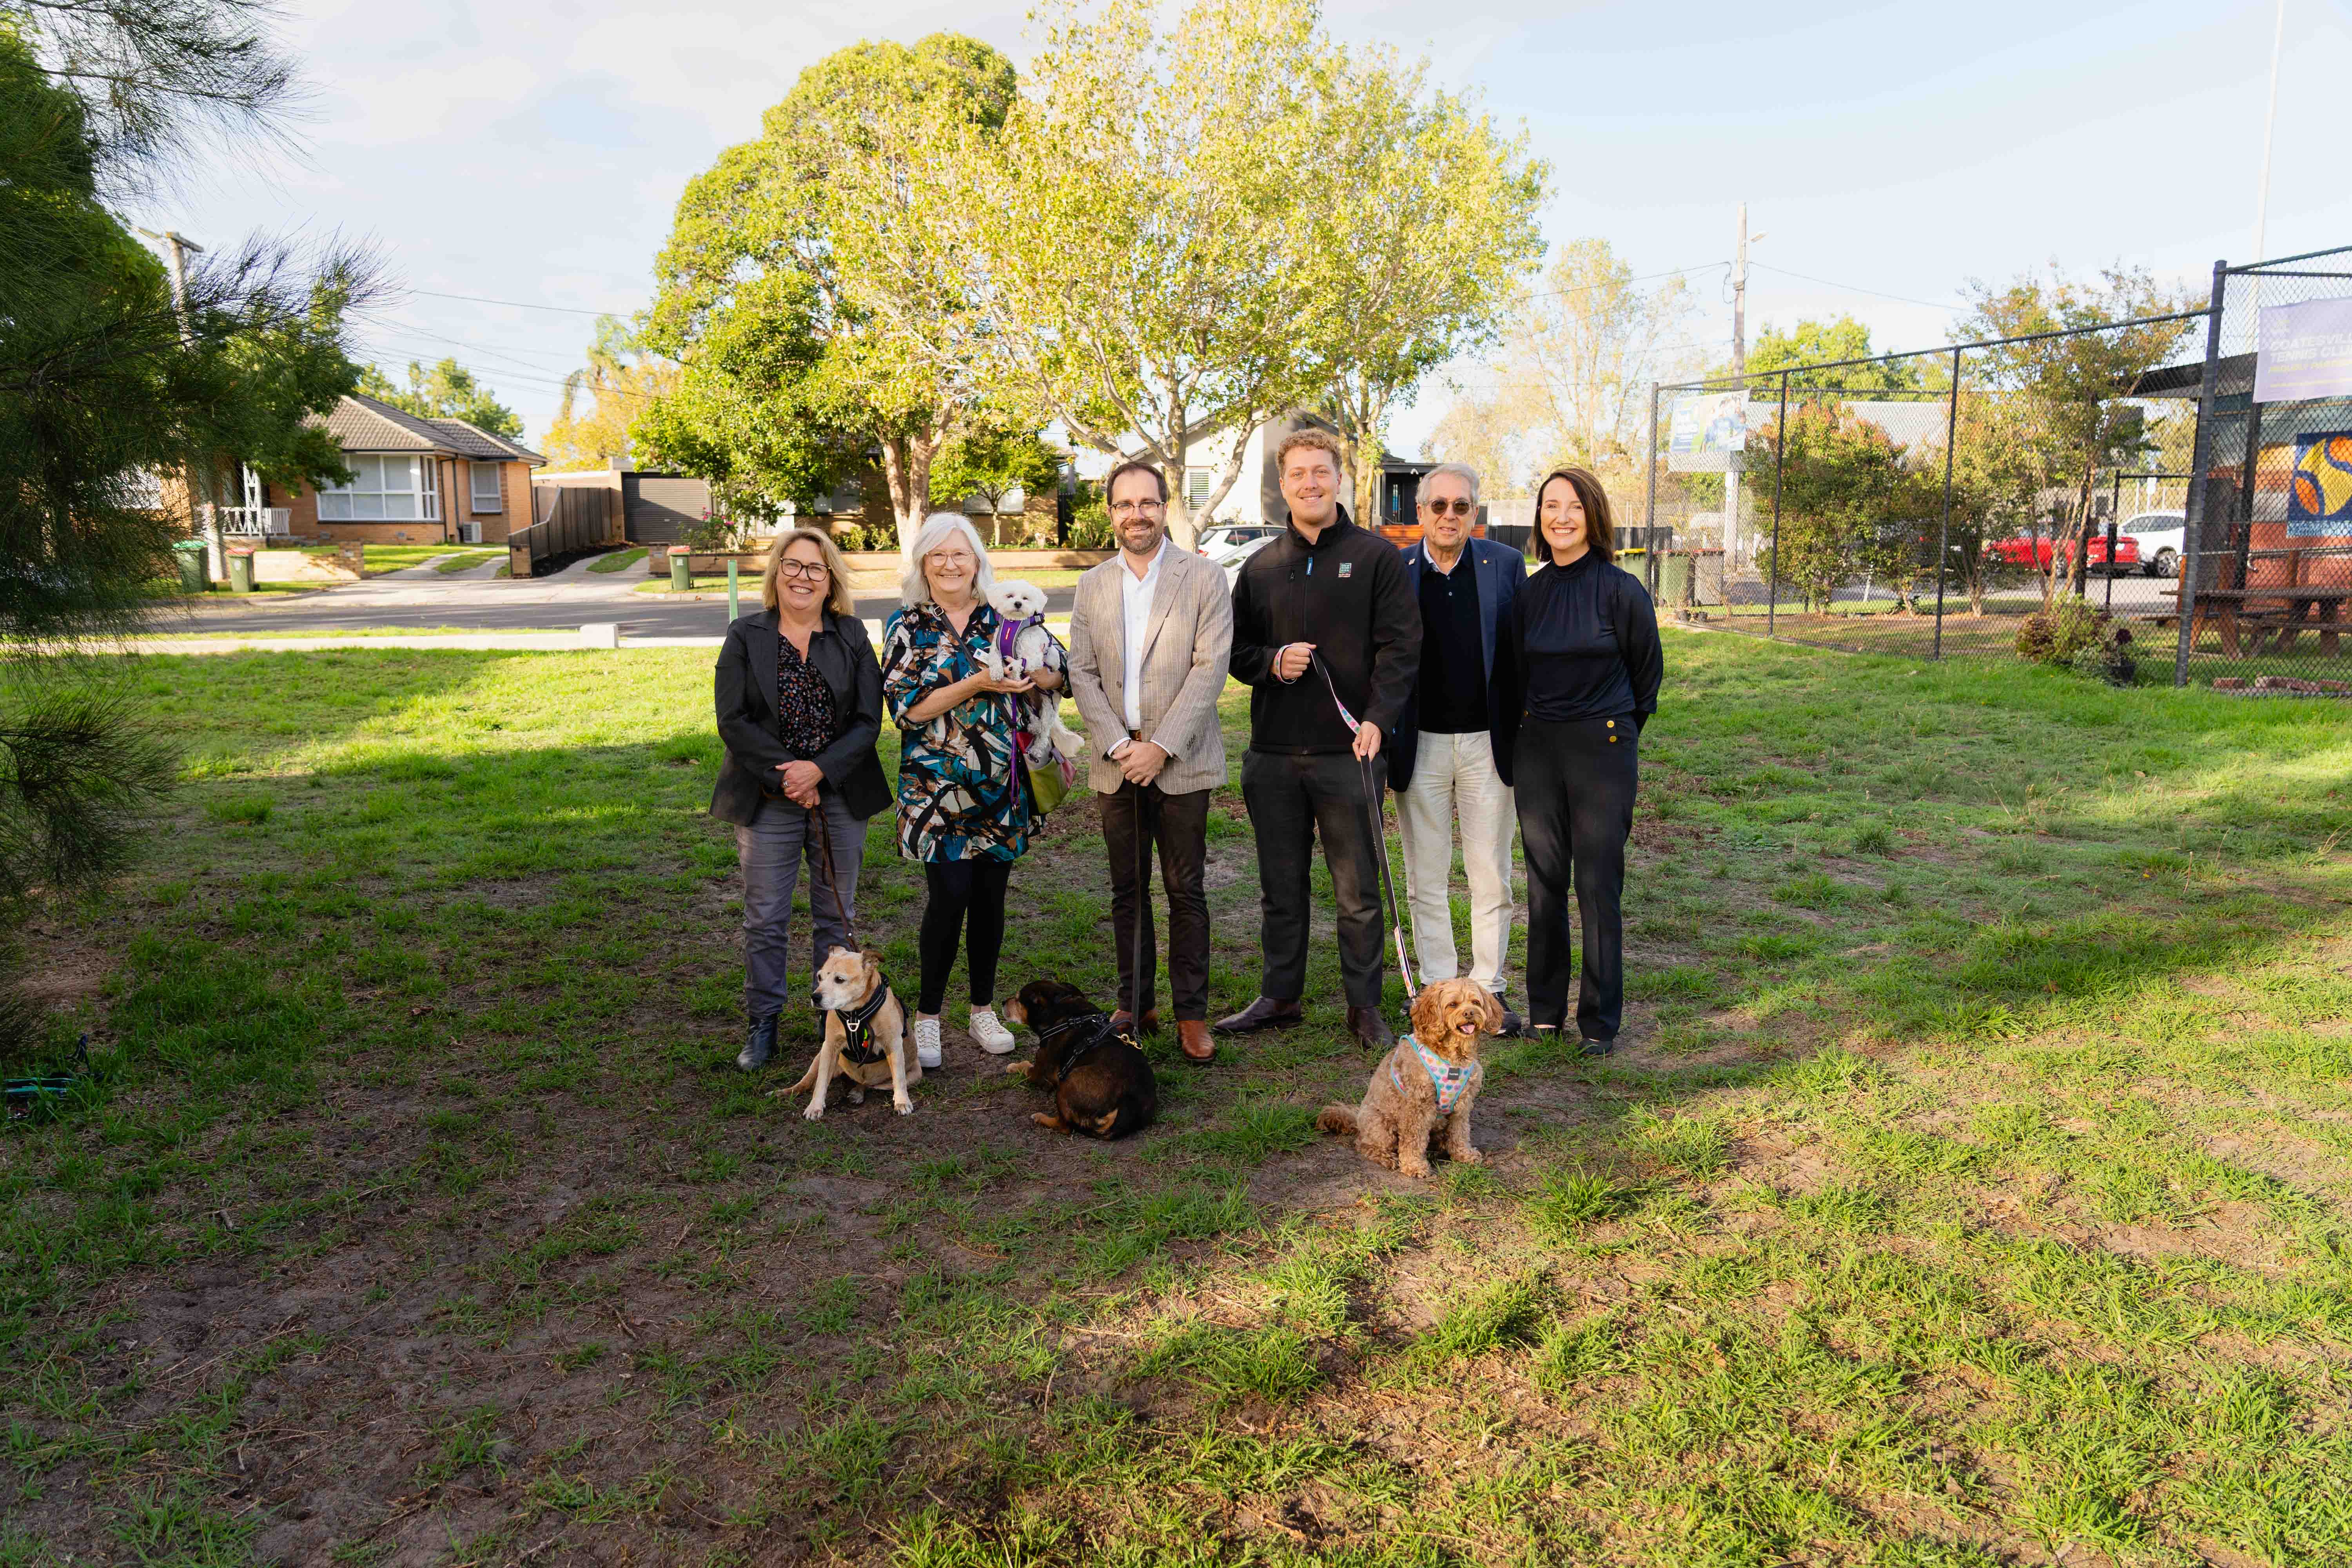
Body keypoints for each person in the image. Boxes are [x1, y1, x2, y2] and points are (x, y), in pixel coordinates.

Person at [1219, 427, 1420, 1051]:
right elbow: (1236, 650)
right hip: (1274, 757)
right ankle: (1281, 996)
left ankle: (1365, 1007)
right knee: (1281, 888)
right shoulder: (1259, 567)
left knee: (1358, 892)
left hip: (1349, 755)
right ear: (1283, 485)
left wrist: (1378, 719)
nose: (1310, 482)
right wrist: (1272, 663)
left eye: (1321, 471)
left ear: (1339, 479)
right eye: (1298, 473)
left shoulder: (1376, 558)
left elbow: (1402, 648)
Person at [881, 512, 1068, 1069]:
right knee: (949, 898)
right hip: (936, 788)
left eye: (960, 554)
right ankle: (929, 1017)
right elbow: (909, 710)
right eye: (937, 554)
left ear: (978, 561)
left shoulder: (1007, 613)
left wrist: (1038, 677)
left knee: (990, 901)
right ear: (922, 563)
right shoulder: (907, 624)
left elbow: (1063, 670)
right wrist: (978, 683)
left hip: (1000, 786)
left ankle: (982, 1008)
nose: (949, 564)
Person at [1065, 460, 1234, 1064]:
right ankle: (1135, 1004)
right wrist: (1118, 745)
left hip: (1180, 760)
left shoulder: (1205, 578)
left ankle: (1191, 1014)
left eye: (1148, 503)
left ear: (1165, 508)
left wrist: (1159, 746)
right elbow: (1079, 672)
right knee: (1126, 891)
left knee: (1185, 890)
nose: (1136, 514)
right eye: (1123, 505)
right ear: (1110, 513)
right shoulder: (1092, 586)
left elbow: (1210, 668)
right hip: (1118, 762)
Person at [1491, 467, 1662, 1054]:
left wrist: (1609, 733)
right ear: (1539, 519)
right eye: (1549, 507)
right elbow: (1513, 680)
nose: (1560, 518)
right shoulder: (1528, 597)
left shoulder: (1621, 591)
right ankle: (1544, 1012)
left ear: (1593, 514)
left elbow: (1647, 680)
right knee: (1543, 883)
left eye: (1572, 507)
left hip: (1604, 751)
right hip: (1538, 749)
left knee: (1596, 885)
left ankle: (1598, 1023)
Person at [710, 527, 891, 1073]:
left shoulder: (852, 635)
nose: (802, 577)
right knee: (765, 917)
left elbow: (867, 719)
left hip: (840, 789)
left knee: (836, 919)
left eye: (815, 568)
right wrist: (789, 775)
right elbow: (732, 720)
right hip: (767, 795)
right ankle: (762, 1022)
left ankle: (833, 1025)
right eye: (792, 565)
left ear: (830, 579)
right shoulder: (745, 634)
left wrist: (820, 770)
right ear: (776, 571)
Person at [1389, 461, 1528, 1037]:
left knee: (1490, 871)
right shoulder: (1394, 570)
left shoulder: (1506, 567)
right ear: (1419, 512)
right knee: (1425, 874)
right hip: (1418, 742)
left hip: (1486, 743)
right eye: (1438, 506)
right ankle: (1439, 988)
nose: (1450, 516)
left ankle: (1489, 990)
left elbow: (1522, 653)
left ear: (1476, 512)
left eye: (1461, 506)